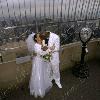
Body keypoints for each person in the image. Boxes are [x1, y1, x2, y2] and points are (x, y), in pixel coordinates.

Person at [29, 33, 52, 98]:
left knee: (43, 73)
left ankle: (43, 85)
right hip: (38, 62)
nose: (40, 37)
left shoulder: (42, 43)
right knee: (38, 74)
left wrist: (48, 49)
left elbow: (44, 50)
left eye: (40, 36)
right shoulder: (36, 45)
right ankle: (38, 90)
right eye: (39, 36)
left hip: (42, 61)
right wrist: (49, 50)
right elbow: (41, 53)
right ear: (36, 39)